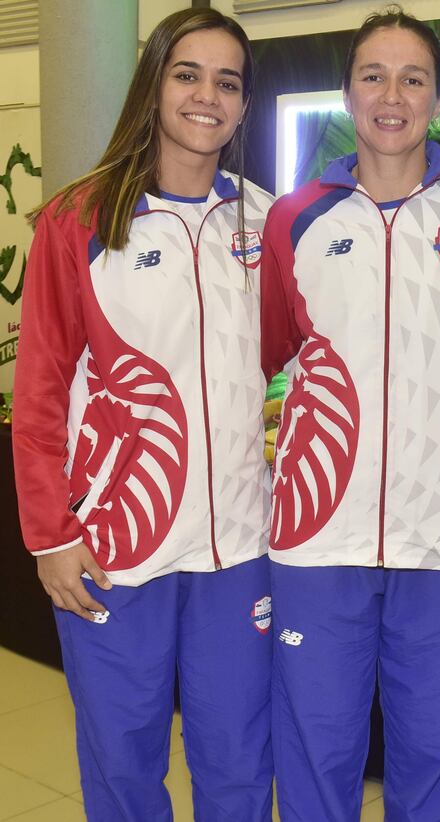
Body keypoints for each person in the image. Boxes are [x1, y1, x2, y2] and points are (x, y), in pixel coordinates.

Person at [12, 9, 274, 821]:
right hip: (115, 547)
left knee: (238, 758)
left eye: (227, 82)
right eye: (187, 74)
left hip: (239, 547)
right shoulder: (79, 221)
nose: (206, 96)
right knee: (123, 761)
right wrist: (51, 534)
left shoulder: (265, 220)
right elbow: (40, 389)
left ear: (243, 104)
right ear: (154, 85)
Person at [260, 6, 440, 820]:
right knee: (315, 760)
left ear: (438, 98)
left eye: (413, 78)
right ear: (347, 93)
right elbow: (265, 356)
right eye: (374, 76)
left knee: (434, 766)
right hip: (317, 539)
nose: (392, 96)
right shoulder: (294, 217)